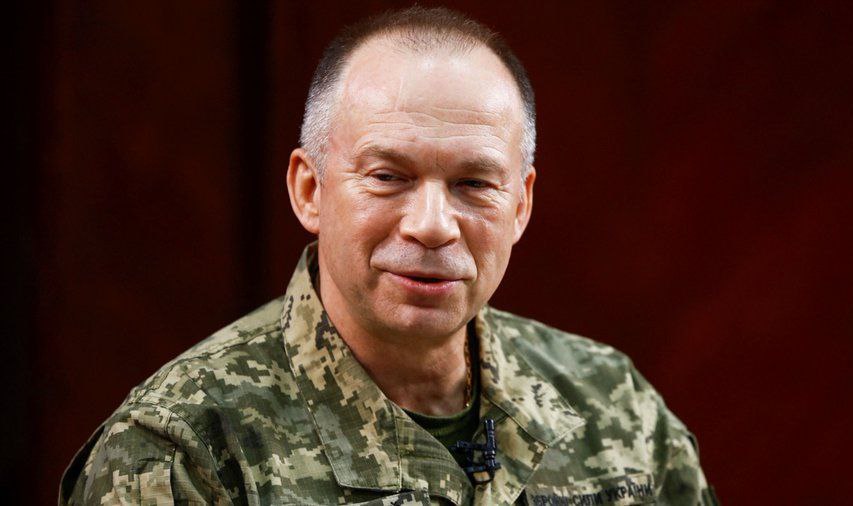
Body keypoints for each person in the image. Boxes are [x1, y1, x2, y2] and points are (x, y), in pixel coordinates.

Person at [61, 7, 717, 505]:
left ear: (520, 205)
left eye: (473, 184)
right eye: (388, 177)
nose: (432, 226)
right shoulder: (186, 451)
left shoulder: (613, 407)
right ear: (310, 190)